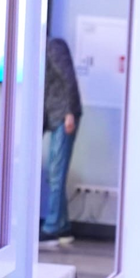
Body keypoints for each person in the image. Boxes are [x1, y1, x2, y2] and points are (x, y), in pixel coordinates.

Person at [41, 36, 82, 246]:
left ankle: (52, 227)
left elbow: (68, 79)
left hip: (64, 117)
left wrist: (70, 113)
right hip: (55, 117)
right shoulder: (38, 50)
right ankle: (63, 226)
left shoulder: (53, 46)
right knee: (54, 174)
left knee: (56, 174)